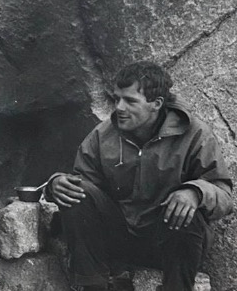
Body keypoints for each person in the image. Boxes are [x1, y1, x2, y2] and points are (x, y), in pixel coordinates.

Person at [47, 61, 233, 291]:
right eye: (117, 99)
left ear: (156, 104)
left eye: (131, 101)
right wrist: (56, 184)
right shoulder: (102, 135)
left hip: (167, 243)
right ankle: (92, 285)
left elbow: (224, 194)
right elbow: (84, 185)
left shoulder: (195, 134)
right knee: (77, 192)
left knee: (186, 210)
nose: (119, 108)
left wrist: (195, 192)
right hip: (118, 239)